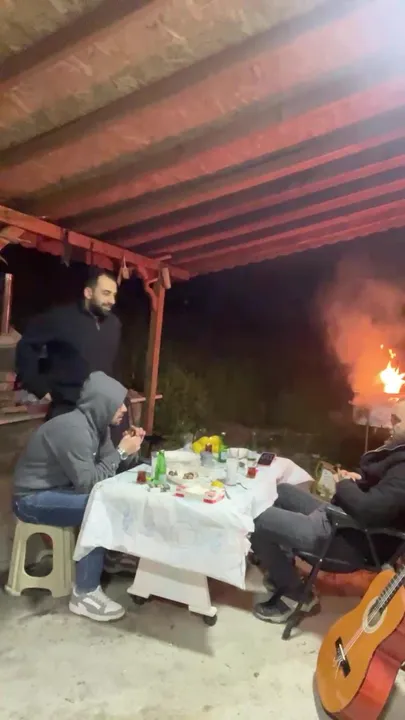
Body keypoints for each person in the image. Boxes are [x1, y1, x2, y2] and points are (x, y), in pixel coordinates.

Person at [251, 399, 405, 624]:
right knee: (281, 491)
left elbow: (368, 509)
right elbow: (384, 496)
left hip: (348, 539)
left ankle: (296, 595)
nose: (390, 425)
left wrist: (344, 484)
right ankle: (285, 574)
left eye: (397, 420)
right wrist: (359, 482)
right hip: (339, 519)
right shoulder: (398, 457)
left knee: (255, 518)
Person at [13, 371, 144, 622]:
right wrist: (119, 452)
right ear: (102, 403)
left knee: (109, 497)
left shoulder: (98, 428)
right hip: (30, 499)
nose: (124, 409)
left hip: (59, 489)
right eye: (118, 404)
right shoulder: (73, 430)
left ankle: (110, 558)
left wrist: (130, 449)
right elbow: (89, 484)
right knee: (97, 506)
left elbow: (108, 470)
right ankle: (84, 594)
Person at [15, 269, 121, 420]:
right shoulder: (61, 318)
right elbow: (27, 345)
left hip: (100, 409)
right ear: (88, 293)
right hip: (67, 408)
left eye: (114, 295)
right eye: (106, 293)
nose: (112, 300)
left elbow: (112, 365)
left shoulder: (114, 324)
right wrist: (37, 386)